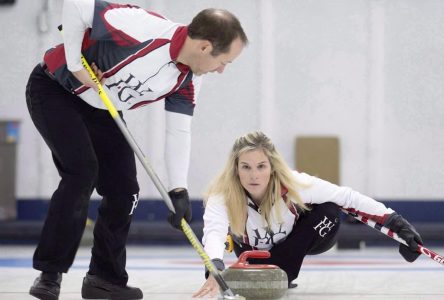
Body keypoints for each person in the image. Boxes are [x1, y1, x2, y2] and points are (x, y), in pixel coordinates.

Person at [26, 0, 248, 299]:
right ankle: (49, 274)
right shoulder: (141, 27)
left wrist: (178, 190)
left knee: (125, 190)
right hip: (55, 89)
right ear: (205, 47)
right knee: (82, 172)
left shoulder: (189, 78)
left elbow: (178, 130)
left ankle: (104, 279)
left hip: (102, 109)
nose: (221, 70)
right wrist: (77, 65)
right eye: (224, 62)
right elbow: (77, 4)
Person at [193, 131, 423, 298]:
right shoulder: (222, 194)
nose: (254, 175)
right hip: (253, 252)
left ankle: (284, 273)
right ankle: (273, 270)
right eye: (246, 167)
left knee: (329, 207)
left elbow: (348, 198)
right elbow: (214, 232)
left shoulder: (294, 183)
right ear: (235, 168)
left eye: (261, 166)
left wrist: (398, 225)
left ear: (272, 166)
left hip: (304, 242)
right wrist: (215, 268)